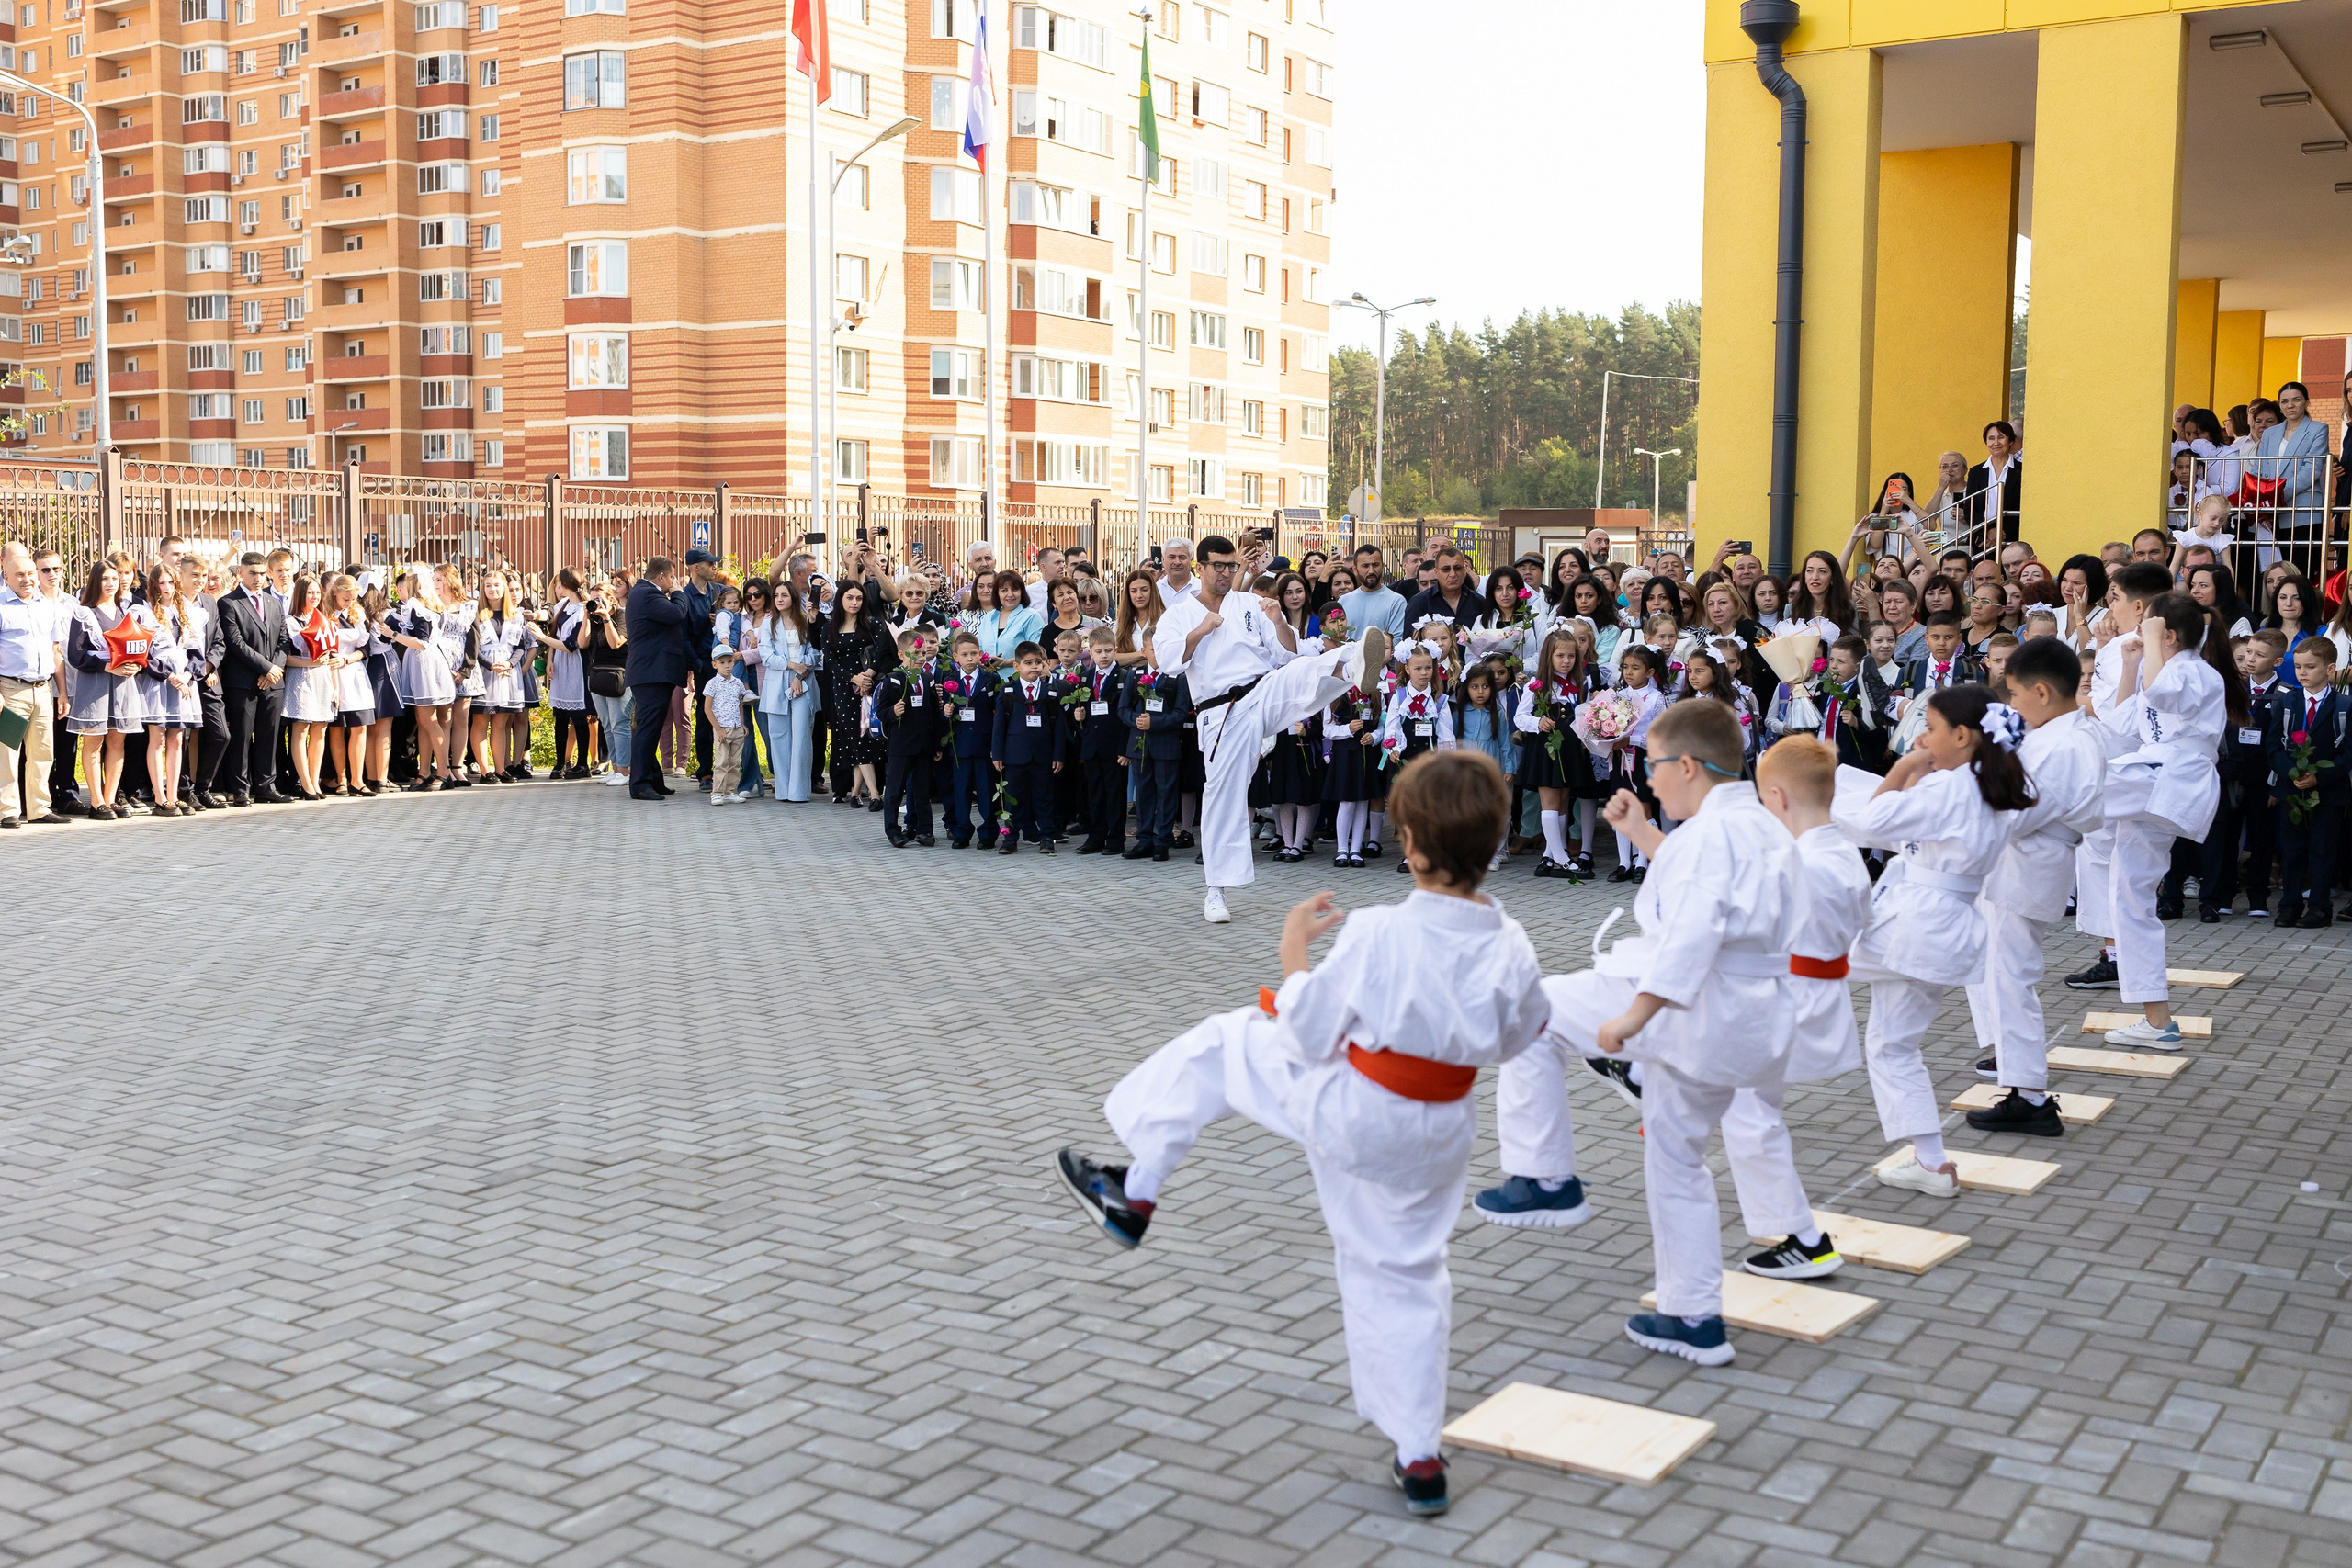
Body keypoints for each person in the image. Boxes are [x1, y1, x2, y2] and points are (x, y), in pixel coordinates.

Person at [1056, 751, 1547, 1518]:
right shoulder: (1510, 940)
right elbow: (1521, 1037)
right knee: (1410, 1276)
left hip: (1356, 1109)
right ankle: (1419, 1453)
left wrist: (1293, 955)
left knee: (1227, 1041)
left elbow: (1309, 1032)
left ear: (1408, 841)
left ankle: (1136, 1191)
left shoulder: (1382, 931)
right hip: (1440, 1130)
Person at [1478, 701, 1803, 1367]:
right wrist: (1648, 834)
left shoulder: (1715, 836)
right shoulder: (1762, 827)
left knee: (1530, 1009)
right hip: (1749, 1017)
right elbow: (1715, 896)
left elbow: (1694, 932)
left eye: (1654, 765)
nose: (1648, 778)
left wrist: (1634, 1017)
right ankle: (1693, 1315)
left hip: (1692, 1005)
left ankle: (1543, 1176)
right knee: (1677, 1160)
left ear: (1687, 764)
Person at [1837, 685, 2035, 1197]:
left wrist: (1904, 769)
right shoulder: (1988, 785)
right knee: (1892, 1045)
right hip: (1944, 925)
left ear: (1963, 736)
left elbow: (1870, 822)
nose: (1922, 736)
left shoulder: (1951, 788)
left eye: (1930, 727)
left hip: (1916, 922)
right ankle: (1931, 1163)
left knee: (1805, 958)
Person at [1153, 535, 1389, 924]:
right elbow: (1166, 661)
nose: (1228, 573)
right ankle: (1216, 889)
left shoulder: (1250, 604)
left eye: (1232, 566)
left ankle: (1353, 664)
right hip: (1220, 711)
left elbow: (1286, 653)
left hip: (1262, 689)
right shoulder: (1180, 613)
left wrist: (1279, 621)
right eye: (1219, 566)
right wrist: (1200, 631)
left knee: (1300, 671)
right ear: (1201, 568)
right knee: (1223, 795)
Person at [1960, 639, 2109, 1135]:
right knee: (1997, 973)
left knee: (2011, 979)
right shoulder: (2060, 734)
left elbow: (2018, 812)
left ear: (2042, 692)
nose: (2014, 706)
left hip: (2029, 861)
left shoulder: (2066, 744)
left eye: (2017, 695)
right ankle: (2019, 1080)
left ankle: (2029, 1095)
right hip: (2023, 860)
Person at [2092, 591, 2226, 1047]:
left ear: (2167, 635)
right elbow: (2121, 721)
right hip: (2154, 781)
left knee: (2076, 786)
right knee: (2127, 899)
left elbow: (2162, 690)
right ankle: (2157, 1021)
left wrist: (2150, 642)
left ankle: (1995, 797)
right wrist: (2130, 663)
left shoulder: (2193, 671)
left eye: (2148, 626)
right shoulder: (2162, 671)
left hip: (2172, 777)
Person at [2265, 637, 2349, 928]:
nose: (2302, 673)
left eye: (2310, 667)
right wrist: (2292, 773)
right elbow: (2273, 745)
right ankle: (2289, 906)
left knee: (2322, 850)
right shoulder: (2286, 702)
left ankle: (2319, 908)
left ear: (2329, 669)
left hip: (2329, 792)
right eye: (2298, 666)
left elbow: (2349, 752)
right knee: (2292, 850)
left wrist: (2320, 776)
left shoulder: (2345, 706)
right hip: (2293, 790)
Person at [215, 551, 290, 807]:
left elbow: (284, 640)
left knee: (270, 737)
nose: (258, 578)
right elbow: (235, 643)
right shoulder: (229, 603)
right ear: (240, 574)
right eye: (252, 573)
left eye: (261, 573)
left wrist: (275, 670)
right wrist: (266, 667)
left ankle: (266, 786)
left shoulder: (274, 602)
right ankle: (241, 789)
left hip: (273, 682)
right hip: (243, 682)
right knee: (242, 737)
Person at [0, 542, 63, 829]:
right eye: (19, 575)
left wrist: (62, 692)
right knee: (8, 753)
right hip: (12, 691)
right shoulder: (2, 608)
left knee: (42, 753)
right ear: (7, 578)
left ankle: (39, 808)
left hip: (43, 690)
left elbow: (55, 651)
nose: (27, 579)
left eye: (30, 574)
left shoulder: (46, 607)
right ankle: (8, 811)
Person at [622, 556, 691, 801]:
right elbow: (677, 613)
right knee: (647, 730)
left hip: (651, 672)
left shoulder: (643, 593)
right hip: (650, 672)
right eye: (672, 577)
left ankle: (653, 780)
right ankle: (640, 784)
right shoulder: (647, 594)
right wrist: (679, 593)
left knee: (649, 728)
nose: (673, 581)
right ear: (662, 577)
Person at [989, 640, 1067, 853]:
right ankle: (1010, 839)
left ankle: (1047, 837)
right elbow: (999, 725)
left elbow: (1058, 726)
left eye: (1038, 662)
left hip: (1043, 755)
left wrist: (1058, 755)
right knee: (1013, 799)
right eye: (1028, 663)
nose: (1034, 667)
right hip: (1015, 756)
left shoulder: (1050, 692)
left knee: (1044, 798)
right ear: (1017, 667)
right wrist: (997, 753)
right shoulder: (1008, 692)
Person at [1120, 639, 1189, 861]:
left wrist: (1155, 723)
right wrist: (1137, 720)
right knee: (1144, 792)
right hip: (1140, 744)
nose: (1158, 654)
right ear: (1143, 651)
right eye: (1153, 649)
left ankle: (1163, 840)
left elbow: (1180, 713)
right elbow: (1123, 709)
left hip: (1166, 744)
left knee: (1166, 792)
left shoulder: (1178, 677)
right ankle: (1144, 839)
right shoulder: (1134, 675)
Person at [1074, 626, 1132, 856]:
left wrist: (1125, 749)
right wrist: (1077, 716)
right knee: (1095, 793)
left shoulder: (1125, 677)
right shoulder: (1086, 677)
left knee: (1115, 794)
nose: (1104, 655)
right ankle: (1096, 836)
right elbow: (1083, 710)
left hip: (1115, 745)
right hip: (1092, 745)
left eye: (1108, 650)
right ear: (1091, 652)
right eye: (1099, 651)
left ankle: (1116, 838)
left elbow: (1127, 715)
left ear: (1115, 650)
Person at [584, 570, 632, 786]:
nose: (595, 603)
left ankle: (624, 769)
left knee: (619, 723)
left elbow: (616, 643)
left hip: (619, 675)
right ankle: (615, 767)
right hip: (597, 675)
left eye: (599, 599)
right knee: (607, 724)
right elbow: (582, 643)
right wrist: (587, 616)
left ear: (611, 599)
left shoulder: (622, 615)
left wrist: (606, 618)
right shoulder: (592, 618)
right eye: (592, 599)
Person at [701, 645, 752, 806]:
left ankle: (730, 791)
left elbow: (739, 704)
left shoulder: (737, 683)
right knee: (721, 762)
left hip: (737, 728)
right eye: (722, 662)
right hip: (723, 728)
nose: (727, 665)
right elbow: (707, 708)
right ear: (714, 664)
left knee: (734, 762)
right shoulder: (712, 684)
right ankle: (716, 792)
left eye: (730, 661)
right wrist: (718, 729)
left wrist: (743, 724)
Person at [1399, 545, 1488, 634]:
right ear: (1436, 572)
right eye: (1446, 569)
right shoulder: (1419, 603)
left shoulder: (1479, 602)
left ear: (1465, 570)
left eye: (1457, 568)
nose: (1452, 574)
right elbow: (1409, 643)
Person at [1968, 420, 2024, 546]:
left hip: (2012, 539)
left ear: (2010, 441)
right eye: (1991, 438)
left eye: (2001, 437)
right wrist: (1988, 530)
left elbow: (2024, 507)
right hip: (1983, 540)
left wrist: (2001, 533)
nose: (1996, 443)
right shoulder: (1976, 472)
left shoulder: (2022, 470)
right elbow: (1970, 509)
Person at [1338, 544, 1407, 639]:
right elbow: (1334, 634)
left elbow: (1397, 640)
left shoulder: (1396, 601)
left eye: (1375, 565)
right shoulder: (1343, 600)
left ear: (1382, 566)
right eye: (1365, 566)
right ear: (1355, 569)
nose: (1371, 571)